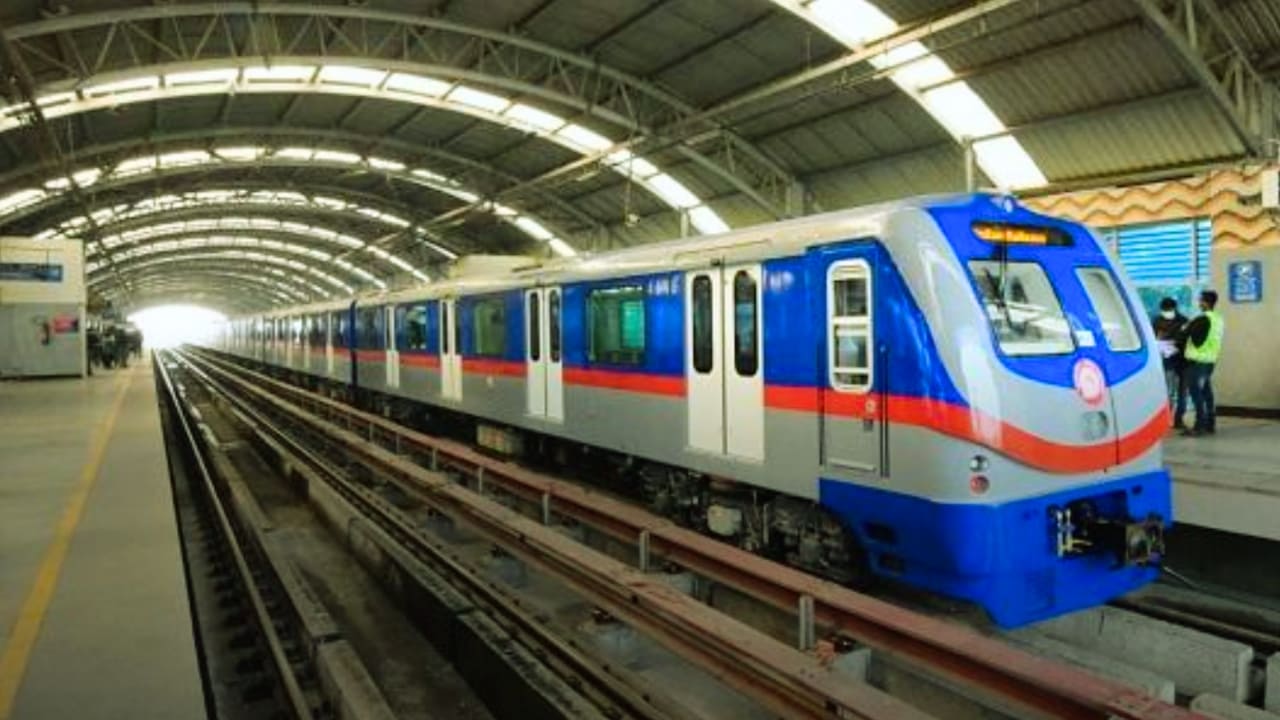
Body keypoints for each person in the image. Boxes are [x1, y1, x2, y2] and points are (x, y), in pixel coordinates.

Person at [1182, 290, 1224, 437]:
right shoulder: (1218, 319)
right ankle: (1210, 424)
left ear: (1205, 302)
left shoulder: (1202, 319)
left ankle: (1199, 426)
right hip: (1210, 362)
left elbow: (1186, 334)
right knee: (1207, 394)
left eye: (1200, 301)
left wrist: (1185, 328)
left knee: (1196, 394)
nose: (1199, 303)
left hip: (1197, 362)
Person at [1152, 297, 1188, 429]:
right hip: (1167, 360)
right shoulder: (1156, 320)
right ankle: (1167, 419)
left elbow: (1187, 338)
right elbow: (1153, 338)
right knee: (1169, 392)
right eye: (1164, 310)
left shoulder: (1183, 320)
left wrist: (1175, 343)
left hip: (1183, 360)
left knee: (1182, 393)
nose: (1166, 312)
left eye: (1168, 309)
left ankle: (1179, 420)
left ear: (1174, 309)